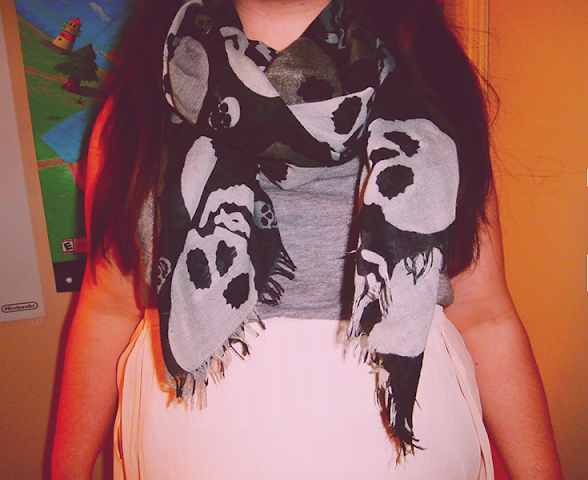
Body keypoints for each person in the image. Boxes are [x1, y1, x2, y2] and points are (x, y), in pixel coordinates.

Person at [52, 0, 564, 479]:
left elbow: (486, 316)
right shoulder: (138, 105)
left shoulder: (433, 92)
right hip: (193, 431)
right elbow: (107, 307)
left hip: (402, 429)